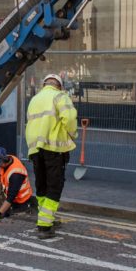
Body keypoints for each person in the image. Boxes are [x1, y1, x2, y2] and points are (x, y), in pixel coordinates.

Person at [25, 73, 77, 239]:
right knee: (55, 186)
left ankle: (45, 218)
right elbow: (69, 119)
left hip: (35, 150)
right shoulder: (60, 96)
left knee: (42, 185)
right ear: (59, 86)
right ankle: (45, 226)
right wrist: (72, 135)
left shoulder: (35, 99)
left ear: (44, 84)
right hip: (54, 149)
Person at [0, 146, 34, 219]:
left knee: (5, 217)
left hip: (21, 203)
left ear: (4, 161)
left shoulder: (16, 174)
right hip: (11, 201)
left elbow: (10, 198)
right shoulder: (6, 159)